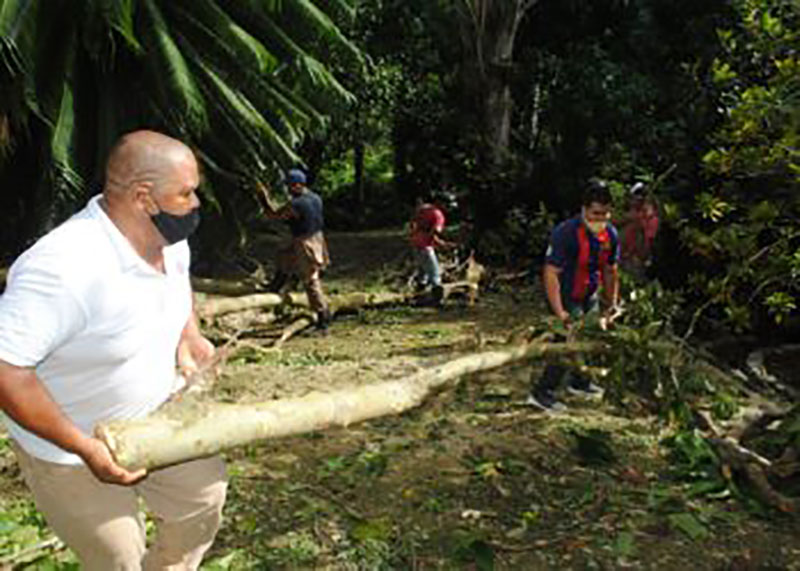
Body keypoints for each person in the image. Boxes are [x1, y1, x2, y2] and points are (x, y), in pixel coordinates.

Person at [0, 130, 228, 569]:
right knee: (118, 559)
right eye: (187, 194)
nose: (197, 204)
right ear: (145, 197)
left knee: (203, 502)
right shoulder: (64, 269)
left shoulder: (171, 240)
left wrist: (189, 336)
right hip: (70, 446)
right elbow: (6, 370)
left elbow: (176, 286)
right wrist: (86, 449)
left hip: (158, 417)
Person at [527, 180, 621, 412]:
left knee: (589, 335)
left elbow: (610, 271)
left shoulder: (610, 234)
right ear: (584, 209)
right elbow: (551, 273)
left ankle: (580, 382)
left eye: (605, 214)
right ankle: (542, 393)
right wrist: (560, 312)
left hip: (589, 292)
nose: (600, 219)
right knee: (566, 342)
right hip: (565, 293)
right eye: (595, 213)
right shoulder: (565, 233)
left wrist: (611, 305)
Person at [258, 168, 331, 331]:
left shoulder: (296, 204)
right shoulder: (315, 198)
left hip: (304, 242)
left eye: (290, 186)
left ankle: (323, 315)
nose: (288, 190)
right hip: (316, 238)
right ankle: (277, 284)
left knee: (311, 280)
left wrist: (263, 199)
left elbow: (274, 216)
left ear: (297, 185)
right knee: (284, 255)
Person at [408, 192, 457, 306]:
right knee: (435, 273)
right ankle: (437, 301)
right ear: (440, 203)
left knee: (423, 273)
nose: (448, 207)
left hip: (415, 243)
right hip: (425, 246)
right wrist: (442, 244)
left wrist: (440, 243)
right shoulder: (438, 214)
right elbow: (434, 232)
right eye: (447, 204)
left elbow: (414, 224)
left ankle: (418, 297)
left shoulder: (424, 208)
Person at [620, 182, 659, 279]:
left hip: (636, 260)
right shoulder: (634, 212)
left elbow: (648, 241)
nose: (631, 200)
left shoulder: (649, 217)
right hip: (623, 257)